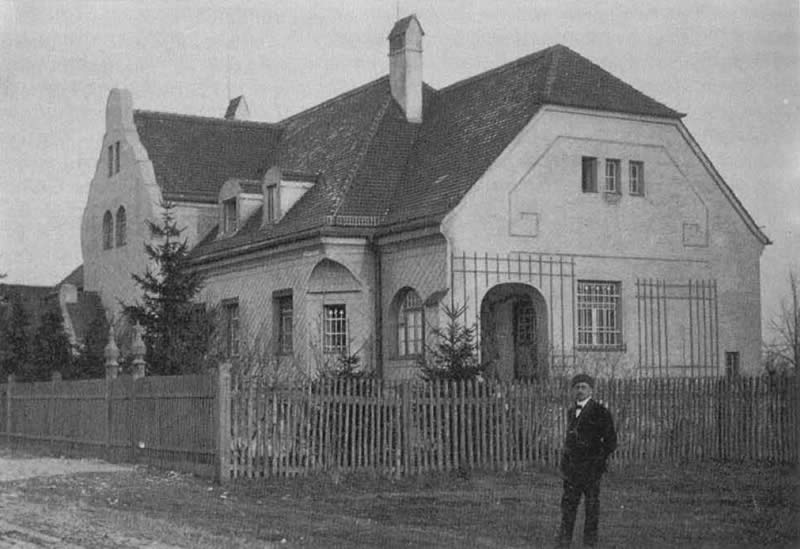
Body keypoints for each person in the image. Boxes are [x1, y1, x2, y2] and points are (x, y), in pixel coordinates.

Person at [557, 373, 617, 548]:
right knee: (568, 507)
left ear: (591, 390)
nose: (580, 390)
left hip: (591, 469)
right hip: (572, 470)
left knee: (591, 508)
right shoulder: (571, 412)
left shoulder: (600, 412)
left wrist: (598, 460)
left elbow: (611, 442)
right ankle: (564, 542)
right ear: (572, 390)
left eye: (584, 387)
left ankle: (589, 544)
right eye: (577, 387)